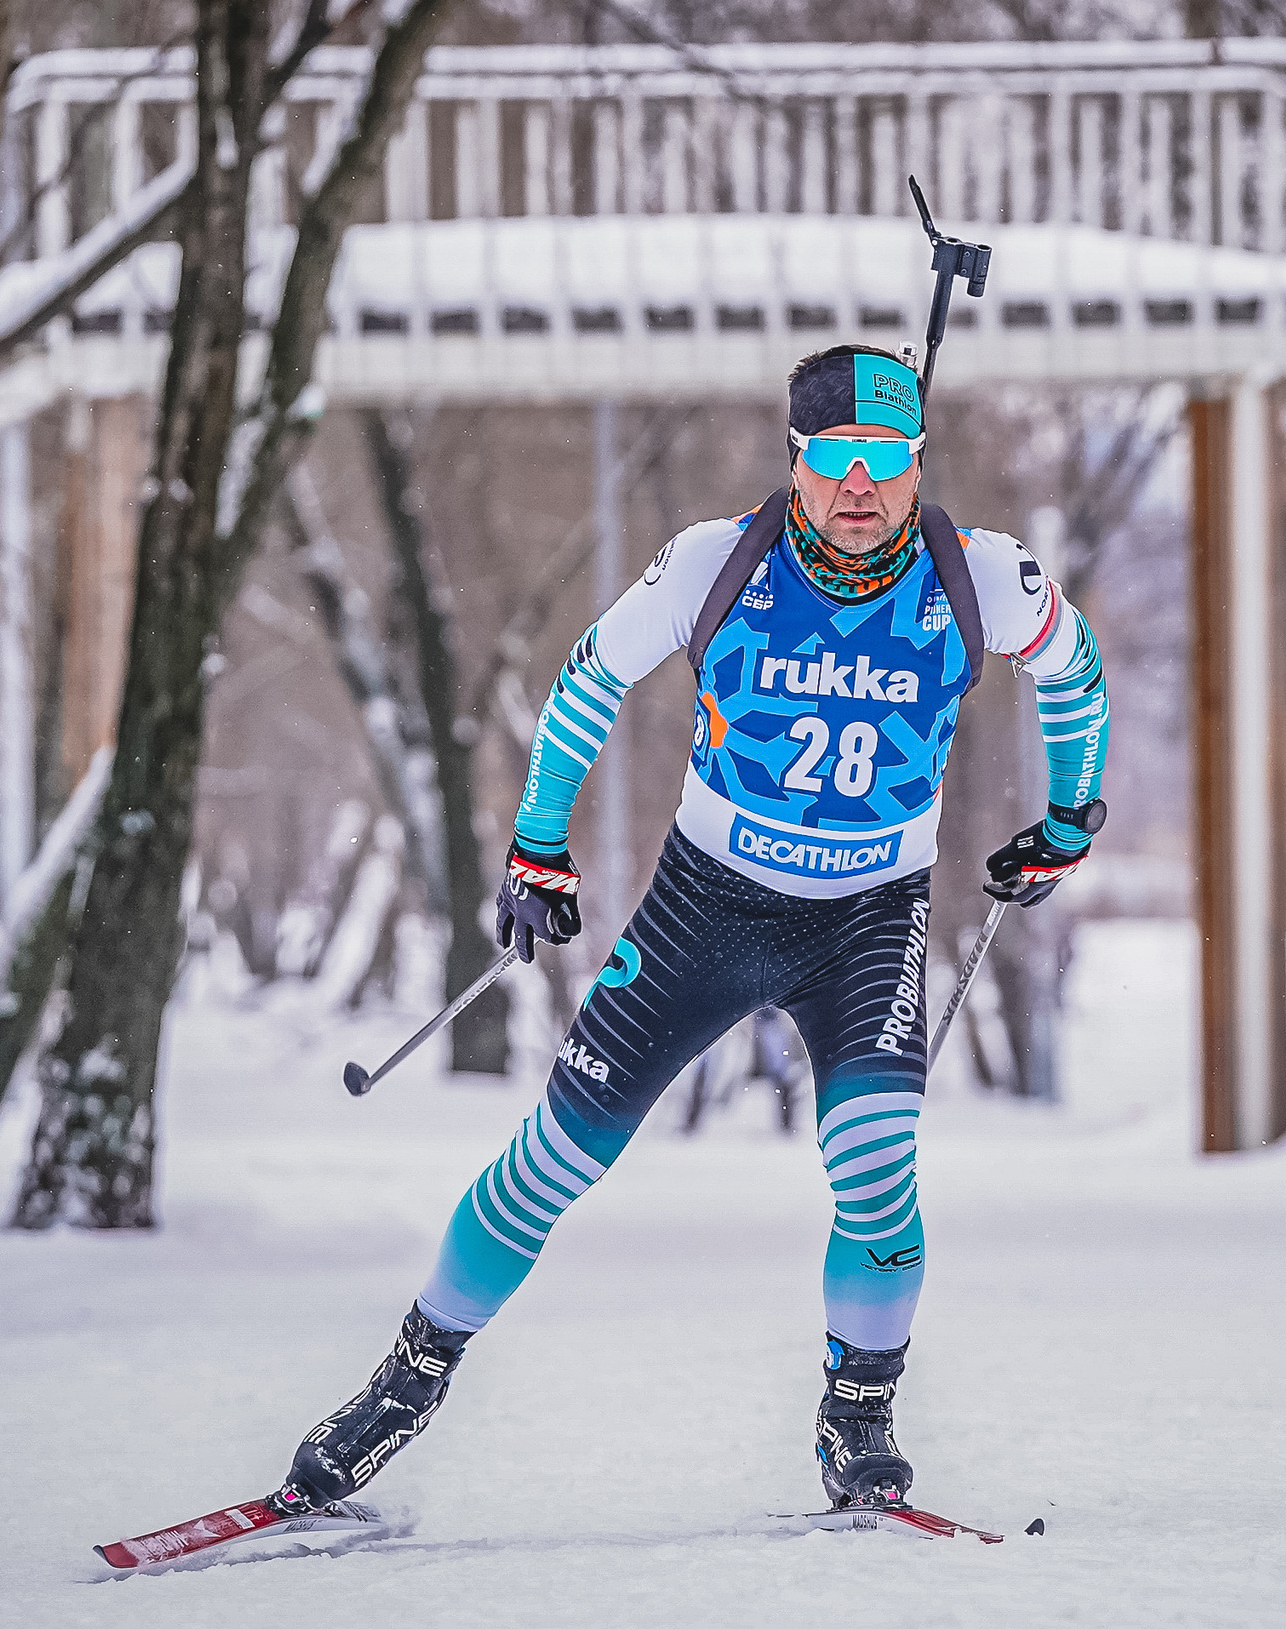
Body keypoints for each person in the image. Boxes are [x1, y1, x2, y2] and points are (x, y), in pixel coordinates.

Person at [274, 345, 1111, 1517]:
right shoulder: (719, 564)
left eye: (885, 461)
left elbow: (1073, 671)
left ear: (917, 466)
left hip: (869, 920)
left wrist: (1070, 817)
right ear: (797, 461)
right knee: (555, 1159)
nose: (859, 488)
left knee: (875, 1168)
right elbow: (587, 678)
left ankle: (858, 1415)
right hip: (705, 908)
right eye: (834, 462)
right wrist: (537, 845)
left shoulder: (980, 579)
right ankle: (406, 1382)